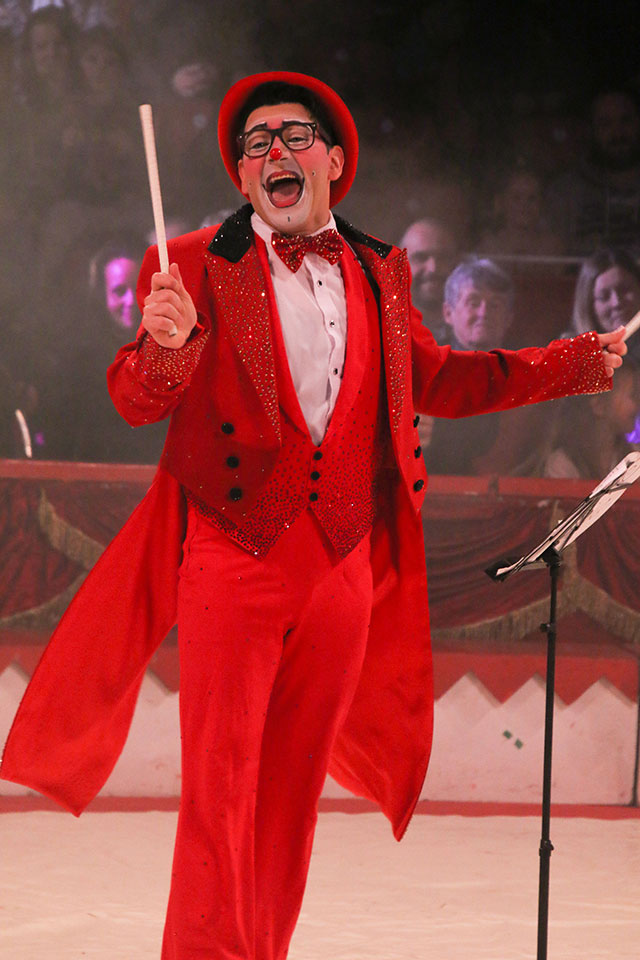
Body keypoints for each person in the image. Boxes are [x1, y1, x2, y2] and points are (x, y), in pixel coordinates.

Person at [1, 71, 627, 960]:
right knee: (220, 793)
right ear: (241, 176)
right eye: (255, 144)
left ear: (333, 160)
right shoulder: (191, 263)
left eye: (293, 136)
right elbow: (137, 398)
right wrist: (167, 348)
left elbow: (443, 379)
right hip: (233, 559)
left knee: (290, 800)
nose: (273, 152)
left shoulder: (379, 270)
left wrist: (574, 363)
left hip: (341, 569)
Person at [546, 87, 640, 255]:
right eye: (606, 124)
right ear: (591, 130)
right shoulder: (564, 193)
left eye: (625, 120)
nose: (618, 133)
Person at [399, 216, 458, 343]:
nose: (433, 269)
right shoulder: (379, 329)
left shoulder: (477, 329)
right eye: (420, 258)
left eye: (443, 258)